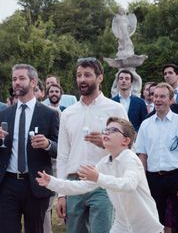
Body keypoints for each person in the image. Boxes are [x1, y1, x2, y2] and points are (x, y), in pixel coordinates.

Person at [37, 117, 163, 233]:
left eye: (113, 130)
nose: (107, 132)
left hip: (146, 228)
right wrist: (52, 182)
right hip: (122, 225)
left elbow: (129, 184)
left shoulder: (130, 158)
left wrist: (98, 177)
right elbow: (82, 187)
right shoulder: (104, 163)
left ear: (125, 141)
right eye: (106, 129)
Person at [56, 57, 128, 233]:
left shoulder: (116, 109)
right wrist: (61, 193)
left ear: (100, 78)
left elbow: (128, 147)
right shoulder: (68, 113)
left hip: (102, 182)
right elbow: (63, 155)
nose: (82, 79)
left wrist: (106, 144)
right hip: (74, 182)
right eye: (79, 75)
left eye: (87, 75)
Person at [0, 64, 59, 233]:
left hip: (36, 183)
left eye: (21, 78)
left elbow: (60, 149)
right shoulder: (4, 114)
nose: (17, 83)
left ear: (33, 82)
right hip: (8, 184)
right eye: (14, 79)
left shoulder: (49, 114)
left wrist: (47, 144)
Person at [136, 82, 178, 233]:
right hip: (153, 178)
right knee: (155, 220)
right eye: (155, 96)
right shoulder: (146, 124)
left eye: (162, 96)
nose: (158, 99)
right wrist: (142, 181)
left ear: (171, 100)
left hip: (176, 177)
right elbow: (142, 155)